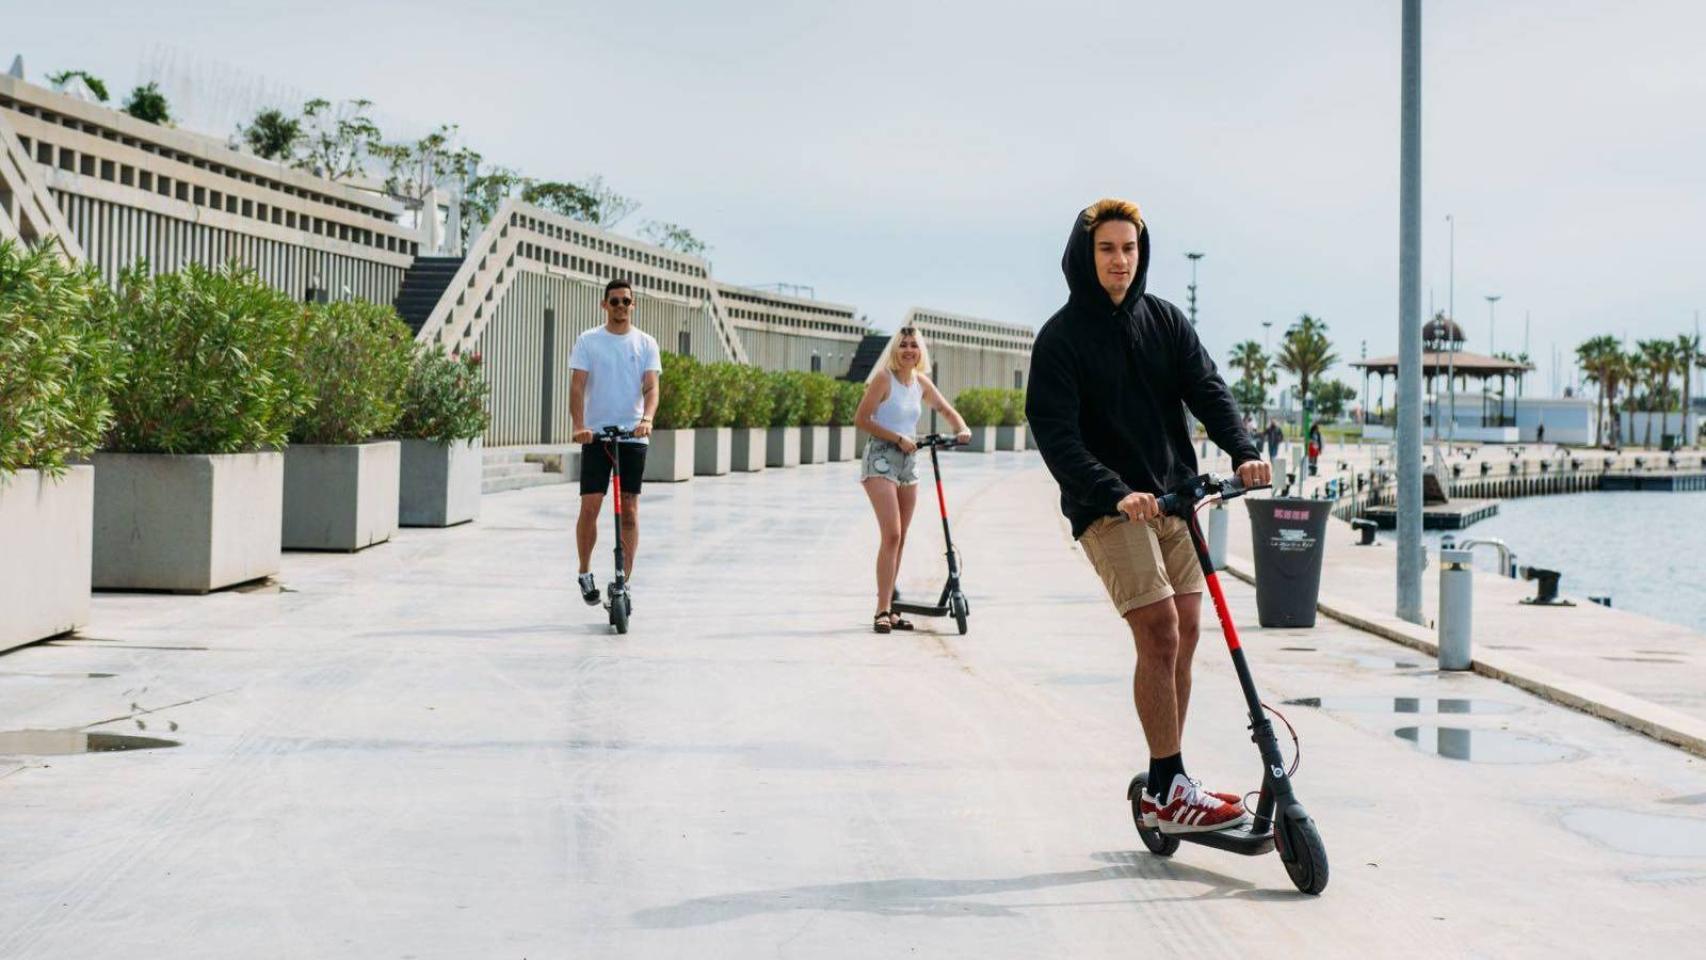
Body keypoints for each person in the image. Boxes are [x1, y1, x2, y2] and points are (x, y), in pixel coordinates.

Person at [1026, 198, 1270, 835]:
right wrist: (1114, 491)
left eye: (1129, 249)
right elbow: (1056, 435)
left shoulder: (1163, 320)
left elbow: (1207, 388)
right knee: (1158, 630)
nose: (1120, 261)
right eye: (1107, 249)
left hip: (1173, 499)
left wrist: (1244, 451)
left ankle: (1169, 785)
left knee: (1186, 630)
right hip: (1109, 509)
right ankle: (1170, 783)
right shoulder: (1060, 339)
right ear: (1085, 255)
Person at [853, 325, 972, 634]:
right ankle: (881, 609)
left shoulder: (920, 383)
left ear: (921, 352)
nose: (908, 350)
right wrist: (896, 438)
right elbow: (862, 419)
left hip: (909, 461)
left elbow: (946, 409)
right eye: (903, 344)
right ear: (896, 349)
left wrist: (962, 429)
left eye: (914, 345)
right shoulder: (884, 379)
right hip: (881, 457)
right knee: (891, 534)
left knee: (901, 537)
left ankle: (891, 608)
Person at [570, 278, 661, 606]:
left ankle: (624, 581)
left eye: (626, 301)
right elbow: (577, 386)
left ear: (633, 305)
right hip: (597, 435)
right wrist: (580, 426)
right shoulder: (589, 340)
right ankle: (584, 571)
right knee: (591, 505)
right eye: (614, 301)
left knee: (630, 510)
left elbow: (651, 387)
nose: (620, 306)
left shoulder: (646, 343)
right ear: (604, 305)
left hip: (633, 436)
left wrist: (646, 419)